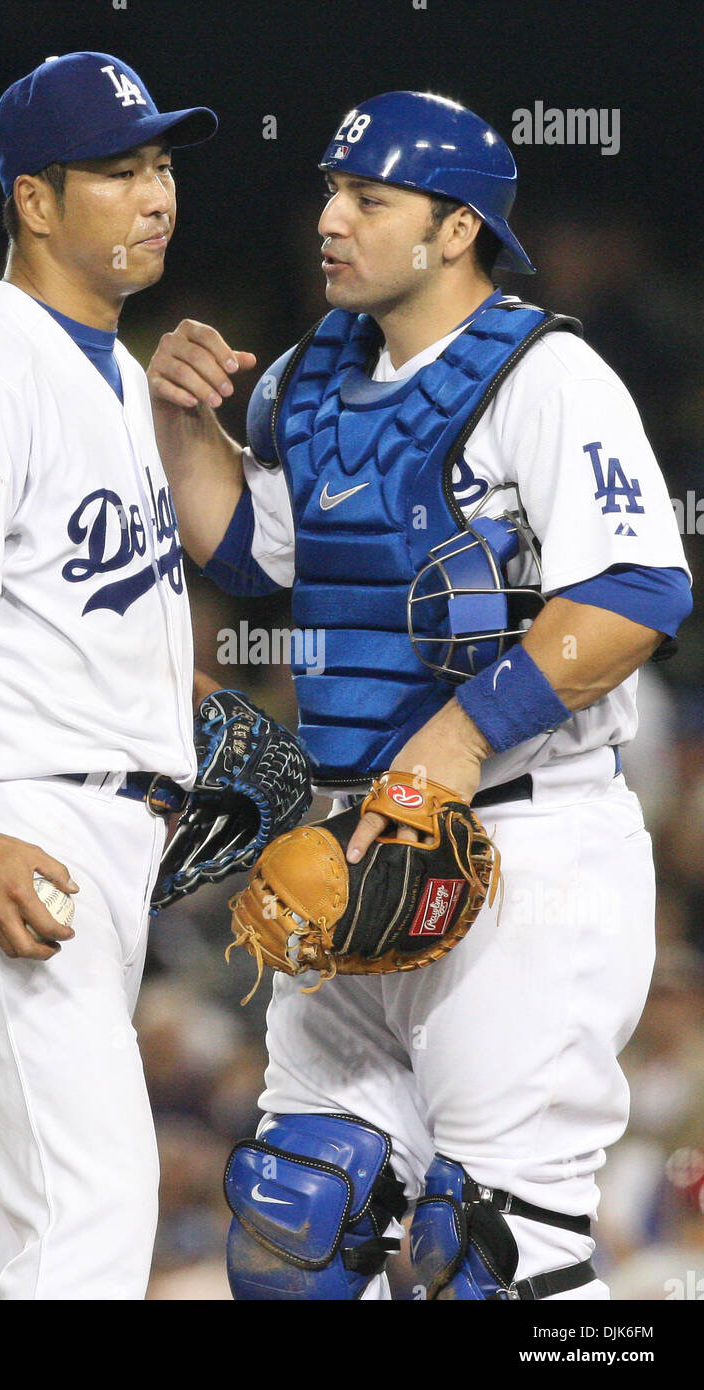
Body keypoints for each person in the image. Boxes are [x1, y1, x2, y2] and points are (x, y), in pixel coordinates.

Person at [147, 91, 693, 1300]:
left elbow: (640, 589)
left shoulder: (545, 375)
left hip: (521, 841)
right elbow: (251, 555)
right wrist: (181, 423)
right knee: (295, 1223)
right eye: (331, 192)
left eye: (367, 199)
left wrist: (447, 744)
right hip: (353, 851)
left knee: (486, 1259)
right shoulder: (309, 377)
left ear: (455, 229)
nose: (330, 219)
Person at [0, 51, 219, 1301]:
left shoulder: (125, 379)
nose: (156, 192)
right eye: (119, 170)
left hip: (98, 827)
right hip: (15, 816)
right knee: (91, 1209)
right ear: (34, 199)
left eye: (163, 163)